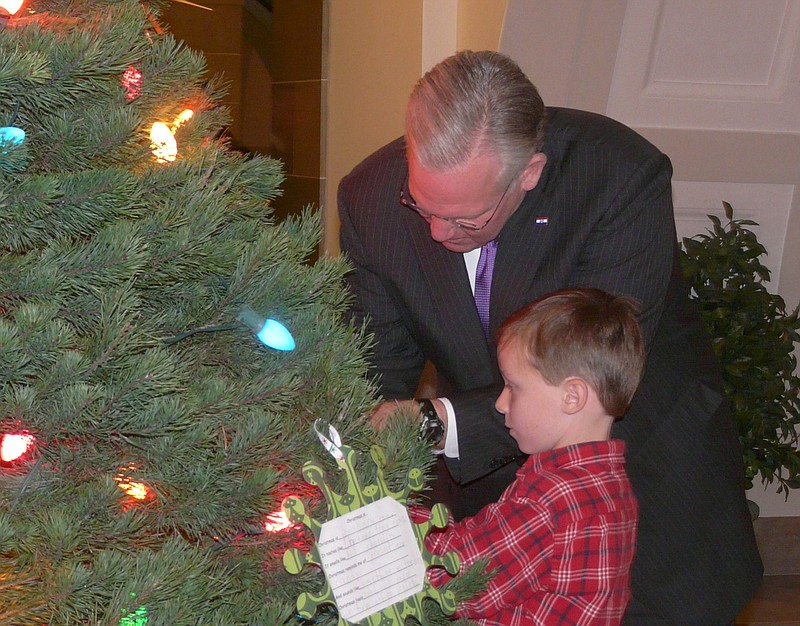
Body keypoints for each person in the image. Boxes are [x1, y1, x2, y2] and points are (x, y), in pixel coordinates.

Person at [338, 50, 762, 624]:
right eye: (423, 205)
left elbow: (589, 367)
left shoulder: (617, 175)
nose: (438, 233)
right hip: (500, 498)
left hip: (649, 475)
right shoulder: (370, 198)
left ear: (529, 174)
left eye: (468, 220)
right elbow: (374, 365)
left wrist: (437, 422)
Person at [414, 288, 643, 625]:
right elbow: (486, 543)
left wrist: (388, 519)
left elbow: (454, 581)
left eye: (513, 387)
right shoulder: (607, 483)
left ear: (572, 397)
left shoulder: (552, 497)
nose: (500, 403)